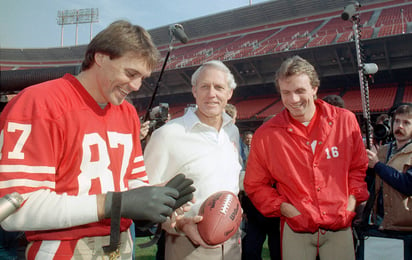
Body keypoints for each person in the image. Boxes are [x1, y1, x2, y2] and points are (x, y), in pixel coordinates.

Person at [0, 20, 194, 259]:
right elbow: (16, 209)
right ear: (101, 58)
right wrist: (113, 203)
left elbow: (131, 181)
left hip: (121, 245)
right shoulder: (40, 103)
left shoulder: (127, 113)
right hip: (64, 248)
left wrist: (156, 196)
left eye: (142, 78)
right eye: (130, 73)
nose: (136, 86)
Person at [244, 55, 369, 260]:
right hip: (296, 226)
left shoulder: (345, 120)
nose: (293, 99)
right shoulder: (266, 134)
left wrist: (351, 202)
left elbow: (358, 167)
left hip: (339, 223)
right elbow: (255, 185)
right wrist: (286, 209)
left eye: (300, 91)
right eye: (286, 92)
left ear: (314, 88)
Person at [144, 60, 242, 260]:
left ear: (229, 93)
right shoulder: (167, 135)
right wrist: (178, 223)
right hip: (186, 244)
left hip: (232, 243)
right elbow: (145, 195)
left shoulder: (232, 131)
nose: (212, 94)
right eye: (205, 86)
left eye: (219, 87)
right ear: (194, 91)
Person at [364, 103, 412, 259]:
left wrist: (377, 165)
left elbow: (407, 185)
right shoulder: (384, 150)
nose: (400, 126)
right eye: (397, 121)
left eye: (406, 123)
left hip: (406, 226)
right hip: (381, 222)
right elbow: (372, 184)